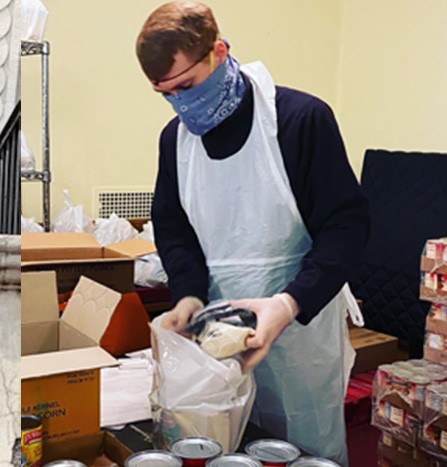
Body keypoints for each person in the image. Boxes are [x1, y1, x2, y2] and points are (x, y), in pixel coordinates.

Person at [136, 2, 370, 463]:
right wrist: (188, 295)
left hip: (300, 324)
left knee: (303, 448)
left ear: (218, 52)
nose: (181, 102)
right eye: (167, 94)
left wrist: (286, 304)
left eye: (186, 86)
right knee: (226, 445)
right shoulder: (175, 140)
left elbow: (346, 228)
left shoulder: (300, 120)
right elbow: (173, 227)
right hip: (222, 332)